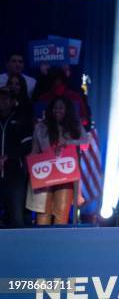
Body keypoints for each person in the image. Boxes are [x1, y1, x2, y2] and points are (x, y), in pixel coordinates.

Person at [26, 96, 87, 225]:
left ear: (67, 109)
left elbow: (86, 143)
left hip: (66, 174)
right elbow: (35, 151)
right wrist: (30, 166)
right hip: (45, 173)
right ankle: (42, 243)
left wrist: (68, 143)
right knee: (43, 214)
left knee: (61, 214)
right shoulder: (41, 127)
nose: (57, 110)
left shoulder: (75, 126)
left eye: (61, 108)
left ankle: (58, 243)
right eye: (55, 108)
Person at [0, 88, 32, 227]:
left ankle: (19, 247)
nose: (2, 102)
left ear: (13, 102)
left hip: (15, 174)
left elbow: (28, 146)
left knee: (16, 216)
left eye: (5, 99)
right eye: (0, 99)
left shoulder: (20, 120)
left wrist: (8, 156)